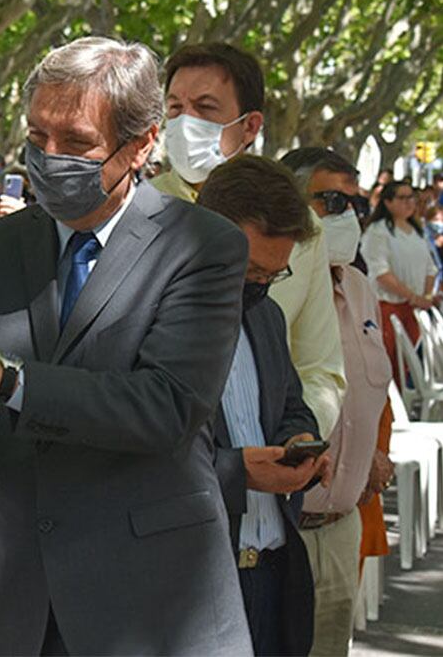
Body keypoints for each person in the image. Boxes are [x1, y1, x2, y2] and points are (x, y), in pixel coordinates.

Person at [0, 36, 253, 654]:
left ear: (144, 142)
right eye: (38, 137)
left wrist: (9, 381)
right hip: (12, 607)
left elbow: (165, 407)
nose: (49, 157)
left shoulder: (204, 247)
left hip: (148, 606)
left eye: (76, 143)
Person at [151, 41, 346, 441]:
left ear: (251, 126)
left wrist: (296, 439)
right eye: (174, 108)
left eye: (205, 109)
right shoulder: (137, 216)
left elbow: (319, 366)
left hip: (271, 481)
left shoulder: (300, 228)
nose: (186, 123)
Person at [196, 156, 326, 656]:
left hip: (274, 574)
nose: (259, 286)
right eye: (249, 270)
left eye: (274, 274)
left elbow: (292, 403)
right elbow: (141, 450)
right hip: (202, 585)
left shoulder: (267, 316)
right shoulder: (155, 321)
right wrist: (238, 471)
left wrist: (299, 441)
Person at [284, 147, 392, 656]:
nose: (347, 215)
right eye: (330, 201)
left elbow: (366, 393)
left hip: (342, 523)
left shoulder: (360, 288)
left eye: (357, 204)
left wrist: (368, 449)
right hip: (279, 531)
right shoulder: (266, 285)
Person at [360, 180, 437, 381]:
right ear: (387, 202)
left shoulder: (416, 231)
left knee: (407, 366)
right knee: (388, 366)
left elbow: (430, 268)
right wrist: (413, 296)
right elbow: (381, 272)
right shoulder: (378, 231)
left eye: (411, 197)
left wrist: (425, 297)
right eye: (402, 198)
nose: (409, 202)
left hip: (414, 309)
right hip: (387, 308)